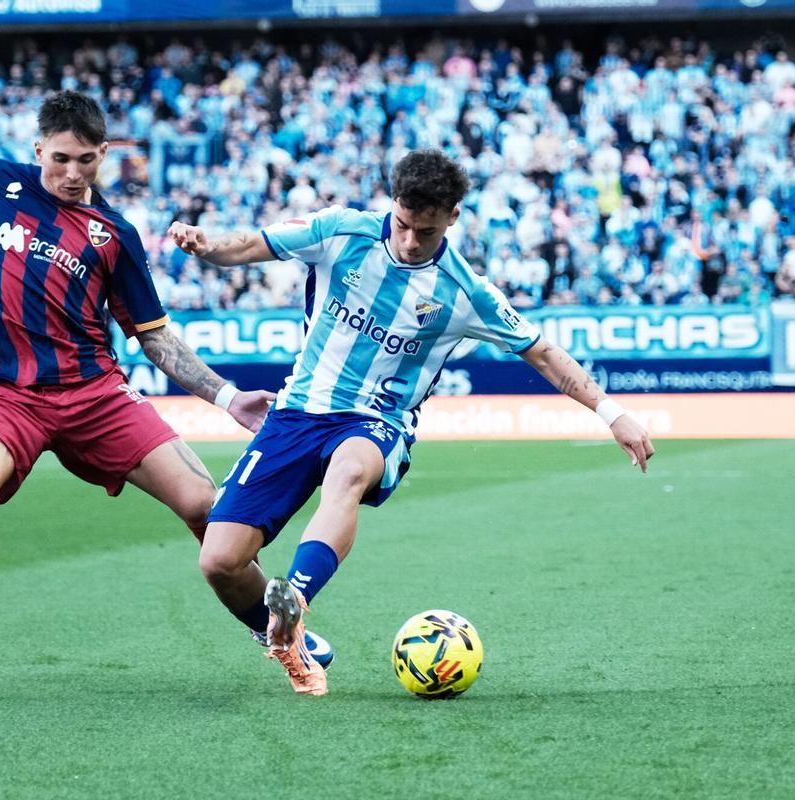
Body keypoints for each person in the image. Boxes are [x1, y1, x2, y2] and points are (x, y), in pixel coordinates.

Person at [0, 90, 331, 703]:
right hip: (5, 391)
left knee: (207, 506)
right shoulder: (0, 183)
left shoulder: (115, 234)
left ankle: (278, 630)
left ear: (104, 154)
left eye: (86, 160)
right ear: (39, 149)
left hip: (95, 394)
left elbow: (154, 336)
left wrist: (226, 397)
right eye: (60, 158)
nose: (72, 173)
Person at [168, 149, 655, 696]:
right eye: (402, 224)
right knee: (220, 561)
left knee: (349, 472)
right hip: (296, 413)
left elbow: (542, 353)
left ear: (453, 217)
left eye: (426, 231)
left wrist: (612, 413)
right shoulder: (340, 231)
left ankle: (296, 597)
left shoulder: (464, 290)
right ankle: (289, 638)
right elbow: (250, 245)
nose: (409, 241)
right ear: (392, 203)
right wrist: (207, 245)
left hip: (377, 422)